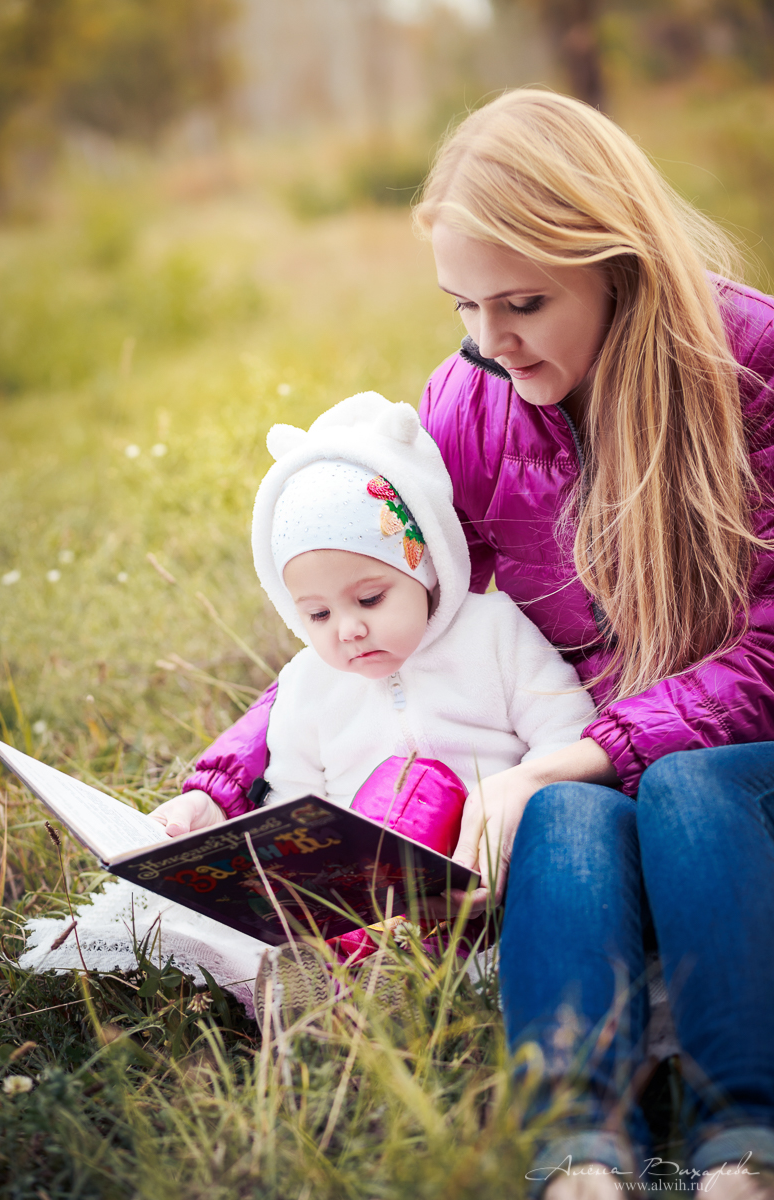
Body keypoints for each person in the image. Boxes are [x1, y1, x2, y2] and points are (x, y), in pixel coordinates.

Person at [165, 89, 774, 1196]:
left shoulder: (753, 368)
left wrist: (562, 754)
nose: (488, 341)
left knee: (675, 789)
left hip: (731, 770)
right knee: (562, 819)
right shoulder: (469, 402)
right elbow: (390, 610)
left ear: (615, 263)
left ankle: (746, 1144)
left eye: (523, 302)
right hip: (593, 767)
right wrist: (224, 779)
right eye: (461, 306)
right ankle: (578, 1152)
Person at [155, 390, 596, 994]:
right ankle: (347, 977)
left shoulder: (493, 632)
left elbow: (565, 728)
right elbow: (294, 798)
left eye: (369, 599)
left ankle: (369, 974)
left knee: (417, 785)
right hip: (362, 895)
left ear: (426, 566)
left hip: (488, 874)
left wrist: (520, 813)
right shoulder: (308, 683)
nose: (348, 629)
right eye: (316, 615)